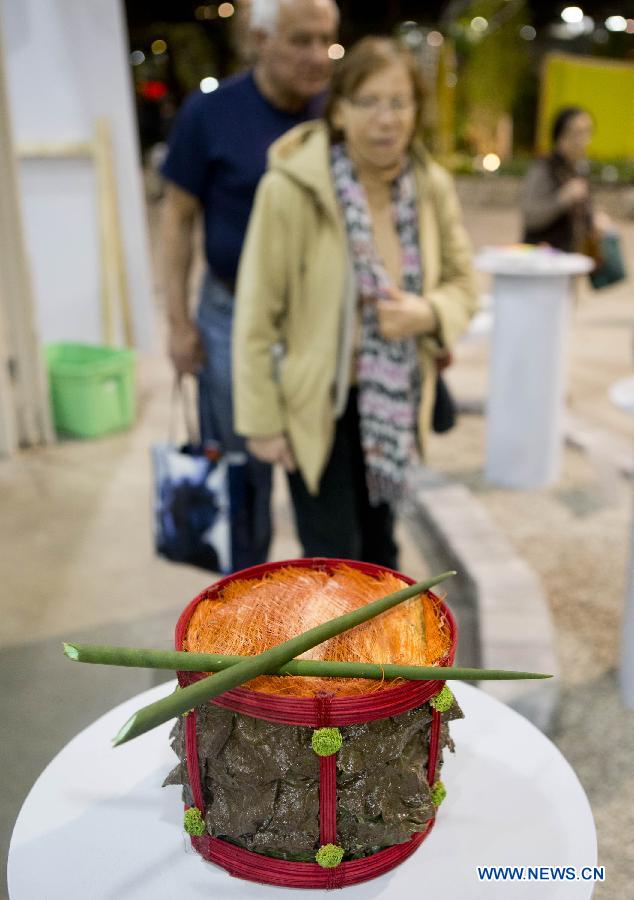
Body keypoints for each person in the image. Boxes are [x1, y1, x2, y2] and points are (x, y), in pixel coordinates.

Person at [233, 37, 477, 569]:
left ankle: (379, 655)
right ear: (339, 112)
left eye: (399, 103)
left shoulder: (429, 186)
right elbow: (255, 315)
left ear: (416, 111)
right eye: (368, 102)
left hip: (393, 405)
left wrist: (428, 313)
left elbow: (464, 282)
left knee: (383, 555)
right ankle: (337, 655)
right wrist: (262, 422)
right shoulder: (291, 189)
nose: (385, 119)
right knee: (331, 566)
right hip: (317, 409)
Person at [160, 0, 339, 570]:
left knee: (322, 477)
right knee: (242, 479)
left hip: (317, 322)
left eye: (326, 41)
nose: (318, 56)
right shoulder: (210, 114)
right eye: (301, 40)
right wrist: (178, 324)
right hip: (230, 316)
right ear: (261, 38)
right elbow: (177, 220)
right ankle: (243, 608)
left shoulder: (339, 114)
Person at [521, 106, 599, 254]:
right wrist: (563, 198)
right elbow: (530, 216)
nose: (584, 139)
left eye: (588, 131)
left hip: (571, 261)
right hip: (542, 261)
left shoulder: (579, 169)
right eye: (578, 132)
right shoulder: (543, 168)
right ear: (561, 135)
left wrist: (594, 222)